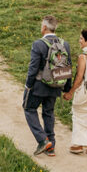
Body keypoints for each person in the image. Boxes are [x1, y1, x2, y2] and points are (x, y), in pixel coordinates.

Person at [23, 14, 72, 156]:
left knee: (29, 109)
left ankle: (43, 140)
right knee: (48, 113)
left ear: (44, 27)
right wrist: (66, 88)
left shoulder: (38, 44)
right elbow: (68, 67)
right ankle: (51, 146)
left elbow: (33, 68)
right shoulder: (65, 44)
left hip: (38, 85)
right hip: (56, 84)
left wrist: (28, 85)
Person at [62, 28, 87, 155]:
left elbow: (79, 78)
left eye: (81, 39)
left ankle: (77, 145)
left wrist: (70, 92)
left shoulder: (83, 56)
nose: (79, 41)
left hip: (84, 91)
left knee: (78, 116)